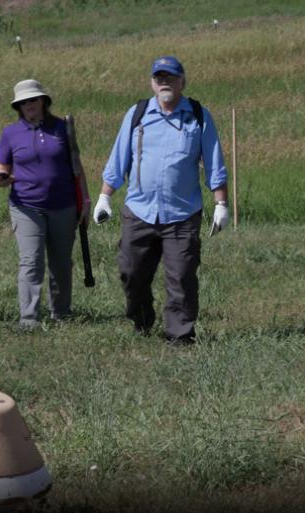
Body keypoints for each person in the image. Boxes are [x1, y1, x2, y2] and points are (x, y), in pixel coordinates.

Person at [92, 56, 229, 344]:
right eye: (159, 78)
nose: (164, 82)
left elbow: (214, 162)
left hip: (182, 213)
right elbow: (119, 158)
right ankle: (141, 319)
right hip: (139, 211)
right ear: (152, 83)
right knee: (131, 272)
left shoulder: (198, 116)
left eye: (170, 77)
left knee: (181, 277)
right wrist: (105, 197)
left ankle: (179, 336)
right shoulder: (137, 114)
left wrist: (221, 204)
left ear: (182, 81)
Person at [0, 79, 89, 329]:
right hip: (25, 205)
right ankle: (29, 319)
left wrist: (86, 200)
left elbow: (77, 166)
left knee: (61, 262)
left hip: (64, 204)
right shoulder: (10, 133)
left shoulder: (62, 128)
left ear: (43, 101)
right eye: (23, 102)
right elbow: (1, 169)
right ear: (18, 107)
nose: (29, 105)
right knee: (31, 260)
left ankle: (61, 313)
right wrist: (2, 179)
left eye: (33, 99)